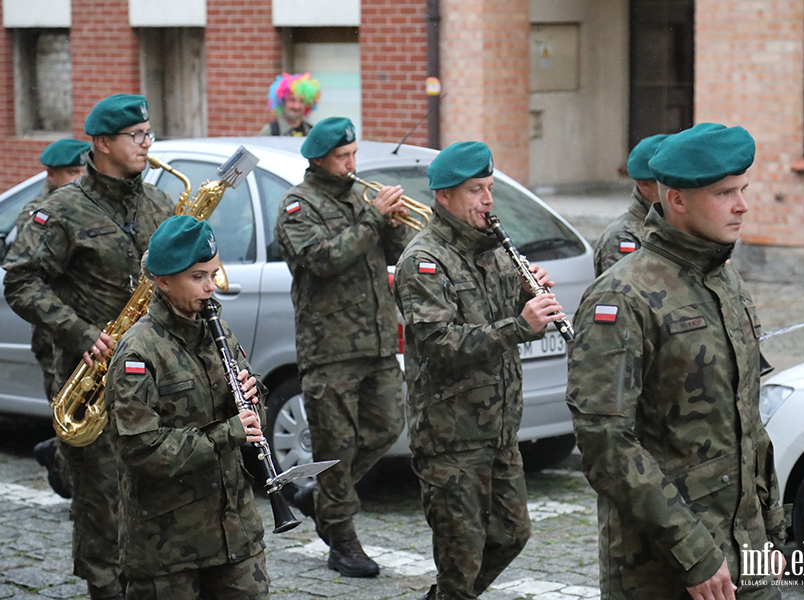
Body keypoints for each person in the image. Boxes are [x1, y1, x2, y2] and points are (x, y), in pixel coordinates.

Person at [566, 123, 788, 600]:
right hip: (666, 566)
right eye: (724, 193)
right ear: (678, 200)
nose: (742, 204)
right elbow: (606, 442)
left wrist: (770, 527)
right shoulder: (623, 295)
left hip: (746, 551)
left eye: (742, 189)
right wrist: (695, 553)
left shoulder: (723, 280)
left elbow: (746, 418)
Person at [3, 94, 174, 600]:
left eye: (149, 133)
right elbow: (21, 282)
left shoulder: (159, 203)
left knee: (153, 498)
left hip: (153, 373)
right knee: (102, 505)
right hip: (91, 380)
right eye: (136, 135)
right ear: (101, 144)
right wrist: (80, 332)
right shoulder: (60, 211)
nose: (147, 143)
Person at [393, 141, 567, 600]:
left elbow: (493, 313)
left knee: (512, 533)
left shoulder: (491, 248)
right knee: (460, 555)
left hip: (498, 427)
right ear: (445, 197)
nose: (488, 200)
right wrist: (520, 325)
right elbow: (440, 344)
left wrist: (527, 298)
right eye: (476, 190)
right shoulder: (423, 261)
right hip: (452, 436)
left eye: (489, 188)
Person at [106, 215, 269, 600]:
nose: (211, 287)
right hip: (169, 545)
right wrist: (230, 432)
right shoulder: (138, 351)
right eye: (198, 277)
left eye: (213, 273)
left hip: (235, 531)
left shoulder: (218, 329)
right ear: (163, 281)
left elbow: (246, 397)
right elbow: (141, 449)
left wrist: (251, 394)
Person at [273, 116, 408, 577]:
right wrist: (373, 218)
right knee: (336, 445)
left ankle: (321, 497)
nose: (352, 165)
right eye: (342, 157)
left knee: (389, 425)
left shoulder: (358, 196)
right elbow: (321, 260)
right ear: (319, 159)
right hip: (329, 346)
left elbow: (392, 252)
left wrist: (391, 222)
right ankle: (343, 543)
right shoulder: (297, 205)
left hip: (376, 339)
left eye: (353, 155)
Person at [16, 138, 92, 499]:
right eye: (72, 172)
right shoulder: (38, 213)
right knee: (69, 414)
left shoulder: (87, 204)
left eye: (83, 170)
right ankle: (66, 474)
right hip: (56, 337)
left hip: (95, 332)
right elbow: (30, 280)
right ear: (51, 174)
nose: (80, 178)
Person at [593, 133, 668, 277]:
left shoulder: (675, 226)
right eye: (666, 182)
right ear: (643, 184)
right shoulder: (623, 237)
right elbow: (623, 296)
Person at [258, 72, 321, 137]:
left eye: (301, 101)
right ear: (282, 102)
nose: (296, 106)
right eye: (291, 100)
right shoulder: (270, 131)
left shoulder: (312, 131)